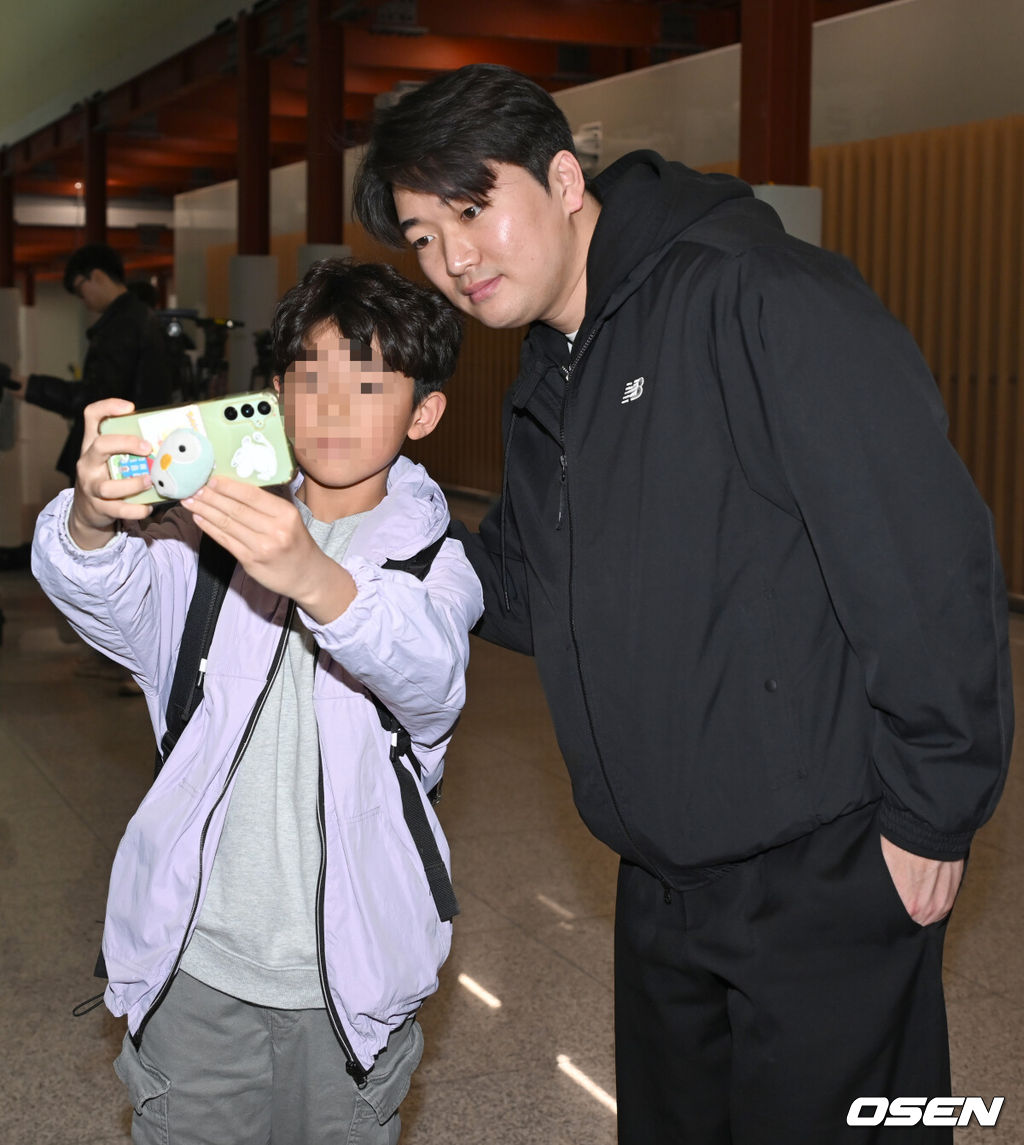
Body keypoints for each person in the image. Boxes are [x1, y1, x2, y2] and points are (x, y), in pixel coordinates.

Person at [353, 64, 1014, 1144]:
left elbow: (924, 554)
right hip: (662, 876)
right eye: (422, 236)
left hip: (826, 862)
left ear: (563, 177)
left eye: (472, 210)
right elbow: (517, 588)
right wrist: (350, 533)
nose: (452, 260)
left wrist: (934, 807)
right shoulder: (551, 368)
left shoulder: (759, 292)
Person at [31, 258, 483, 1144]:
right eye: (307, 377)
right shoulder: (210, 534)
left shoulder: (434, 560)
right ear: (274, 394)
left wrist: (313, 575)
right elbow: (100, 589)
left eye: (368, 379)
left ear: (424, 410)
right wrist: (90, 515)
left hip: (353, 983)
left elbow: (431, 681)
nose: (332, 406)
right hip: (198, 968)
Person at [17, 243, 172, 481]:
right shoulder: (138, 316)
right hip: (136, 443)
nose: (83, 300)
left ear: (97, 276)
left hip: (119, 450)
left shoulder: (124, 324)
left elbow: (97, 397)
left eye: (80, 290)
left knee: (98, 515)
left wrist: (32, 387)